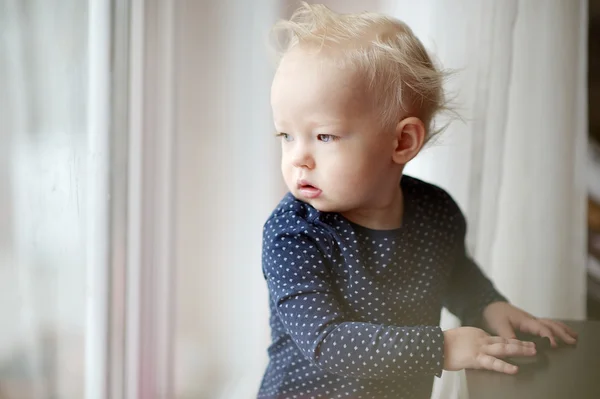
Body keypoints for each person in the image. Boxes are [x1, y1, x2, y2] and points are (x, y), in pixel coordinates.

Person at [257, 3, 578, 398]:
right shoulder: (293, 234)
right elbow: (327, 342)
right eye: (286, 136)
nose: (298, 158)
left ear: (402, 141)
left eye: (324, 136)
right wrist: (441, 347)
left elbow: (453, 273)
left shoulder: (434, 212)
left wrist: (489, 305)